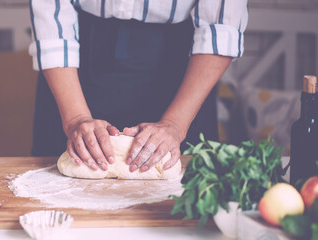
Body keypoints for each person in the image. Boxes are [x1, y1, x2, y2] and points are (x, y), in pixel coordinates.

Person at [29, 1, 248, 173]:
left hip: (183, 70)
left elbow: (221, 27)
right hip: (72, 67)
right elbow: (51, 12)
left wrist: (174, 124)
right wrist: (76, 118)